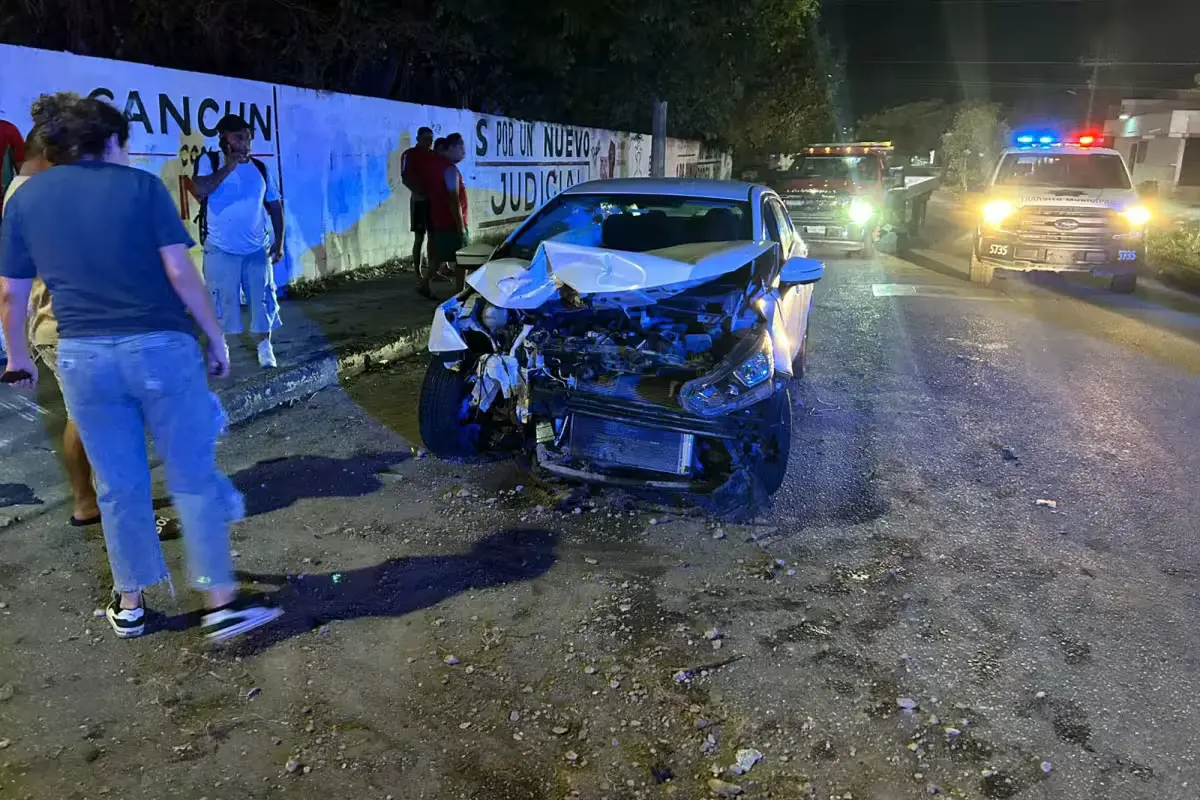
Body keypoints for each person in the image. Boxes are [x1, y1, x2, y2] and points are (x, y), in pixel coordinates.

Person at [0, 92, 281, 642]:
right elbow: (179, 271)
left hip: (82, 356)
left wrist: (16, 356)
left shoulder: (25, 198)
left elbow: (11, 294)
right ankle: (218, 602)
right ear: (108, 141)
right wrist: (215, 337)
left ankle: (130, 604)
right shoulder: (141, 187)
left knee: (117, 483)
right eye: (124, 142)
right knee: (191, 472)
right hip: (160, 347)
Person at [186, 114, 284, 369]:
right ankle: (221, 349)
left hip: (256, 249)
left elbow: (274, 206)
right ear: (223, 139)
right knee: (221, 302)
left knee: (262, 300)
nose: (245, 143)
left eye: (248, 137)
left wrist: (279, 241)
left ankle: (265, 347)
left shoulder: (260, 168)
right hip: (221, 248)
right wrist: (229, 166)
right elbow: (200, 189)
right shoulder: (209, 161)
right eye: (239, 137)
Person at [424, 132, 470, 293]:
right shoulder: (450, 170)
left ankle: (425, 284)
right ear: (450, 148)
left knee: (440, 255)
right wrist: (460, 226)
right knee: (463, 258)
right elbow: (453, 199)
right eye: (460, 147)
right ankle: (460, 291)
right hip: (452, 221)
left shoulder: (437, 167)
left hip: (440, 219)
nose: (463, 152)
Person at [401, 126, 435, 298]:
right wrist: (418, 191)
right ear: (418, 139)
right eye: (426, 139)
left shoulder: (433, 155)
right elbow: (404, 177)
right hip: (419, 200)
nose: (429, 142)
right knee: (420, 237)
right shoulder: (409, 155)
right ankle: (418, 271)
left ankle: (433, 269)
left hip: (433, 201)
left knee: (434, 236)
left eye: (431, 139)